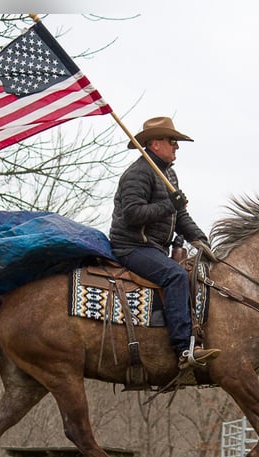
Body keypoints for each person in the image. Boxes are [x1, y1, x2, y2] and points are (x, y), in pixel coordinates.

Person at [109, 116, 221, 370]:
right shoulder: (137, 173)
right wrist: (171, 203)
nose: (176, 147)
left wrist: (199, 239)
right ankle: (183, 348)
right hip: (131, 247)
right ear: (154, 144)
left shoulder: (168, 173)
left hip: (154, 248)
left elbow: (179, 215)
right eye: (172, 141)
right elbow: (133, 214)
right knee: (175, 276)